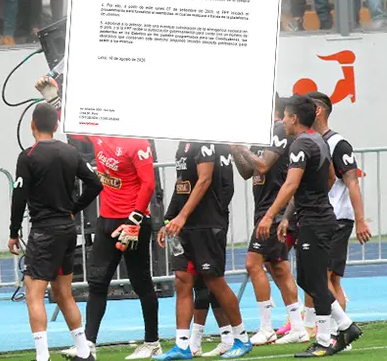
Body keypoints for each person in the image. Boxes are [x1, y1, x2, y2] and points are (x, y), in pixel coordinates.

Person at [255, 95, 361, 356]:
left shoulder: (301, 143)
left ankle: (325, 339)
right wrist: (303, 207)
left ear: (293, 118)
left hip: (315, 220)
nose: (283, 121)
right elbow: (328, 178)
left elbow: (290, 184)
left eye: (286, 116)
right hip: (316, 216)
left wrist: (270, 216)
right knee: (307, 278)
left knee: (314, 279)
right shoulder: (317, 140)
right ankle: (345, 325)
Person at [9, 102, 102, 361]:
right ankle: (84, 351)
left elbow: (19, 196)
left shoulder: (28, 156)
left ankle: (42, 356)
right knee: (64, 293)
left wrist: (13, 231)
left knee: (33, 293)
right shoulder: (70, 152)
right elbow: (95, 184)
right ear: (57, 125)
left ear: (32, 126)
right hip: (66, 229)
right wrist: (74, 208)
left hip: (43, 231)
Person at [61, 127, 160, 359]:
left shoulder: (138, 142)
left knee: (141, 281)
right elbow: (71, 126)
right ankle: (88, 345)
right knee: (97, 282)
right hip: (106, 219)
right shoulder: (99, 133)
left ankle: (152, 342)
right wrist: (55, 99)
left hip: (132, 222)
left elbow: (148, 184)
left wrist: (134, 219)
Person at [155, 142, 252, 360]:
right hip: (187, 225)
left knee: (214, 281)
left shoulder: (206, 141)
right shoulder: (183, 145)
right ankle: (182, 345)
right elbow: (182, 185)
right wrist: (170, 218)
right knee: (182, 279)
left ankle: (242, 337)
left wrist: (184, 216)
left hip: (206, 224)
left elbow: (205, 179)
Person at [228, 97, 310, 347]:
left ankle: (266, 327)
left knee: (253, 263)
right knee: (279, 267)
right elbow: (247, 171)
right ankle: (298, 326)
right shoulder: (260, 135)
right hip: (264, 207)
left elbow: (262, 166)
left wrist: (242, 149)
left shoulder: (276, 129)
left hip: (273, 209)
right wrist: (235, 149)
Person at [307, 92, 372, 335]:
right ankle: (336, 330)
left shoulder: (337, 144)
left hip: (335, 219)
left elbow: (352, 182)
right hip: (324, 218)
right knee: (331, 279)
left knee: (322, 276)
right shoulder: (313, 141)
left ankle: (337, 330)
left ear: (318, 111)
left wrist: (360, 220)